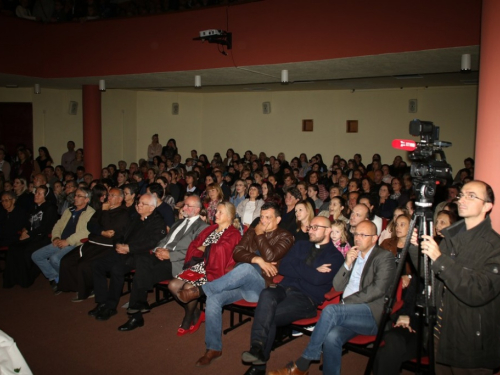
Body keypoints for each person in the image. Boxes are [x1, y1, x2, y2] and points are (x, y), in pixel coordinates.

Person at [268, 221, 396, 375]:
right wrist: (347, 263)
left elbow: (377, 290)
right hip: (345, 313)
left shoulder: (384, 257)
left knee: (330, 311)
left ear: (375, 238)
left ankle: (303, 364)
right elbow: (337, 285)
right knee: (332, 337)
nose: (358, 238)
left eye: (363, 235)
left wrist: (344, 303)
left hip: (369, 314)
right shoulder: (353, 255)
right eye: (356, 234)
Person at [176, 202, 294, 367]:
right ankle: (213, 348)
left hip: (260, 286)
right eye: (261, 217)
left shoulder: (286, 237)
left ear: (278, 219)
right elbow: (237, 252)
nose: (264, 221)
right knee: (214, 300)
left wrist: (259, 237)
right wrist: (257, 259)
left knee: (245, 269)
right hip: (239, 283)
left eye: (268, 217)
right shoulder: (252, 232)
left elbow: (271, 254)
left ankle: (202, 290)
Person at [409, 180, 500, 374]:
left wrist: (439, 259)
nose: (463, 199)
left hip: (470, 341)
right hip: (441, 333)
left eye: (471, 196)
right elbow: (432, 278)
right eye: (462, 194)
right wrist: (416, 249)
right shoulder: (451, 238)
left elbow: (479, 291)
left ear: (487, 206)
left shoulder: (494, 246)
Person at [241, 216, 344, 375]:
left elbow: (317, 280)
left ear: (328, 230)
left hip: (306, 298)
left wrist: (298, 266)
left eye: (316, 227)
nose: (311, 230)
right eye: (310, 227)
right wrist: (311, 270)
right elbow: (284, 268)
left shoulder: (335, 256)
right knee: (267, 293)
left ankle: (258, 365)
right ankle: (256, 348)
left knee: (269, 314)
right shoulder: (301, 244)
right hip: (284, 288)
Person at [113, 195, 208, 331]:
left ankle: (136, 314)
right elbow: (164, 240)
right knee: (141, 260)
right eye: (184, 205)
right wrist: (158, 250)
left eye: (188, 206)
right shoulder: (178, 223)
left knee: (141, 272)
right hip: (160, 256)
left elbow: (196, 252)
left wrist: (170, 254)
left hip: (177, 262)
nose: (184, 208)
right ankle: (138, 305)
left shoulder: (203, 228)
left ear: (198, 209)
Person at [89, 193, 166, 323]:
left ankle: (111, 306)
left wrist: (129, 248)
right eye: (138, 203)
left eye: (143, 204)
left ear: (152, 208)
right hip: (123, 251)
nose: (139, 205)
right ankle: (102, 301)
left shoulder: (158, 222)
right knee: (97, 264)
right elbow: (120, 233)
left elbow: (152, 242)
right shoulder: (134, 218)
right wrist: (118, 244)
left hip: (140, 256)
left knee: (116, 269)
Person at [167, 202, 241, 335]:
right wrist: (204, 250)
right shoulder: (210, 229)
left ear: (229, 216)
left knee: (188, 288)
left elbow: (223, 251)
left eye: (220, 212)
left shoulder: (233, 233)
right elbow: (194, 244)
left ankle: (188, 318)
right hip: (198, 265)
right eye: (216, 211)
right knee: (172, 285)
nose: (215, 214)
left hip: (214, 269)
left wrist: (206, 249)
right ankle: (196, 313)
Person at [57, 188, 130, 301]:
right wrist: (101, 232)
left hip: (106, 247)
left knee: (84, 264)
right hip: (92, 242)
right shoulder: (102, 209)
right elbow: (90, 225)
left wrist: (105, 213)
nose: (108, 198)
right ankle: (75, 286)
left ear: (120, 199)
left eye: (112, 195)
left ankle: (88, 290)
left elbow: (110, 229)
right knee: (67, 260)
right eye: (108, 195)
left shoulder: (123, 213)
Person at [31, 187, 95, 292]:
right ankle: (57, 278)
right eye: (75, 195)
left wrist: (67, 241)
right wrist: (56, 237)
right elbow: (58, 225)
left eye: (79, 196)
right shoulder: (69, 210)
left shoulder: (91, 213)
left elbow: (86, 231)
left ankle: (70, 281)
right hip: (60, 241)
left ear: (87, 200)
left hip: (75, 243)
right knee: (36, 256)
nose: (75, 198)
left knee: (54, 259)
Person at [3, 186, 58, 288]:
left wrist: (29, 234)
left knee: (26, 251)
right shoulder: (34, 207)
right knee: (13, 248)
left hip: (43, 237)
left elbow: (45, 227)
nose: (36, 195)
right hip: (32, 236)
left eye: (39, 194)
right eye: (36, 192)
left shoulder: (50, 208)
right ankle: (13, 279)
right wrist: (25, 230)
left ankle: (25, 279)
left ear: (45, 196)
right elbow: (29, 223)